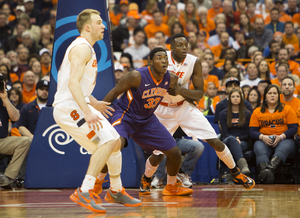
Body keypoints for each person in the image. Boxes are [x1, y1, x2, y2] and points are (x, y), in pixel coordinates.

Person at [52, 9, 141, 213]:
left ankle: (116, 191)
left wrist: (94, 102)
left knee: (115, 142)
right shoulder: (82, 48)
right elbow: (72, 84)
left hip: (79, 103)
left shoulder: (87, 48)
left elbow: (76, 85)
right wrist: (87, 110)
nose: (104, 26)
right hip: (70, 108)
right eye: (99, 22)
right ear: (88, 27)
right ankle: (84, 191)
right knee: (107, 142)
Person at [148, 33, 255, 190]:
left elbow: (198, 93)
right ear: (171, 47)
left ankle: (236, 172)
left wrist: (180, 90)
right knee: (158, 152)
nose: (184, 48)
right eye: (180, 45)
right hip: (163, 109)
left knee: (214, 140)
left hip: (184, 107)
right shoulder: (162, 58)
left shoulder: (194, 61)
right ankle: (149, 178)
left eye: (186, 45)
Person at [99, 47, 193, 196]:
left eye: (165, 59)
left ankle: (171, 186)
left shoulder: (171, 79)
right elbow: (115, 92)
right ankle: (97, 183)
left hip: (147, 120)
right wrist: (99, 113)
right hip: (126, 115)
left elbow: (178, 91)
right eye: (159, 58)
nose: (163, 61)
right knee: (115, 145)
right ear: (150, 62)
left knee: (174, 152)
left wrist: (187, 97)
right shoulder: (136, 76)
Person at [250, 84, 298, 184]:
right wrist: (263, 137)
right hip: (263, 139)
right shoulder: (257, 111)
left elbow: (293, 128)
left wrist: (281, 137)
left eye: (275, 93)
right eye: (269, 93)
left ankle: (268, 172)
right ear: (265, 96)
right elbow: (252, 131)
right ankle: (267, 173)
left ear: (279, 95)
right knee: (259, 148)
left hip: (284, 138)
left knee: (284, 148)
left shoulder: (287, 109)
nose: (272, 95)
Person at [0, 75, 32, 186]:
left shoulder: (4, 100)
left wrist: (5, 99)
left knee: (25, 141)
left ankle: (8, 177)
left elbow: (16, 117)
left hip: (2, 141)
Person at [219, 89, 252, 175]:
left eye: (238, 96)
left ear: (241, 98)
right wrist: (234, 139)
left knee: (233, 148)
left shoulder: (247, 114)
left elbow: (248, 134)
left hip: (243, 141)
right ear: (229, 99)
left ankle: (230, 175)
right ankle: (243, 166)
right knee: (231, 140)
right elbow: (225, 133)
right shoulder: (223, 114)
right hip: (227, 140)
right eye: (233, 96)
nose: (235, 98)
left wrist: (238, 139)